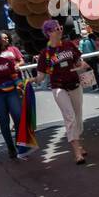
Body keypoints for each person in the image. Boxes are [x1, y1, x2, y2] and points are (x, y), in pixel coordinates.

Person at [34, 20, 89, 165]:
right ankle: (77, 153)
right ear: (49, 33)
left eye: (60, 27)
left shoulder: (69, 45)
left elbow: (79, 62)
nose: (60, 30)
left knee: (78, 116)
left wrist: (83, 66)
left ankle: (79, 143)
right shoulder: (44, 53)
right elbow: (41, 76)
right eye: (57, 28)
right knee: (69, 116)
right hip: (58, 87)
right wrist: (31, 81)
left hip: (75, 85)